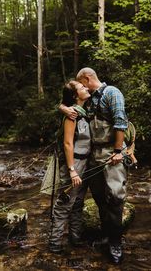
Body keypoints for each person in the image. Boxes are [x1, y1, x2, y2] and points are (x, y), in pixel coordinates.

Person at [60, 68, 128, 264]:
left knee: (115, 196)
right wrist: (62, 107)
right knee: (99, 196)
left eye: (81, 83)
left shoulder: (112, 93)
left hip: (111, 153)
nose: (81, 86)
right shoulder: (88, 98)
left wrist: (117, 152)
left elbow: (120, 123)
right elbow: (69, 100)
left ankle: (115, 242)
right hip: (93, 154)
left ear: (87, 79)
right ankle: (106, 235)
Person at [49, 80, 91, 253]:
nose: (86, 88)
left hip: (86, 163)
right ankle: (54, 243)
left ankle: (75, 237)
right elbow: (67, 143)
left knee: (78, 202)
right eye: (82, 88)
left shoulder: (85, 110)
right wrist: (72, 171)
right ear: (75, 96)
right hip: (73, 165)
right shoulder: (71, 115)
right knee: (65, 202)